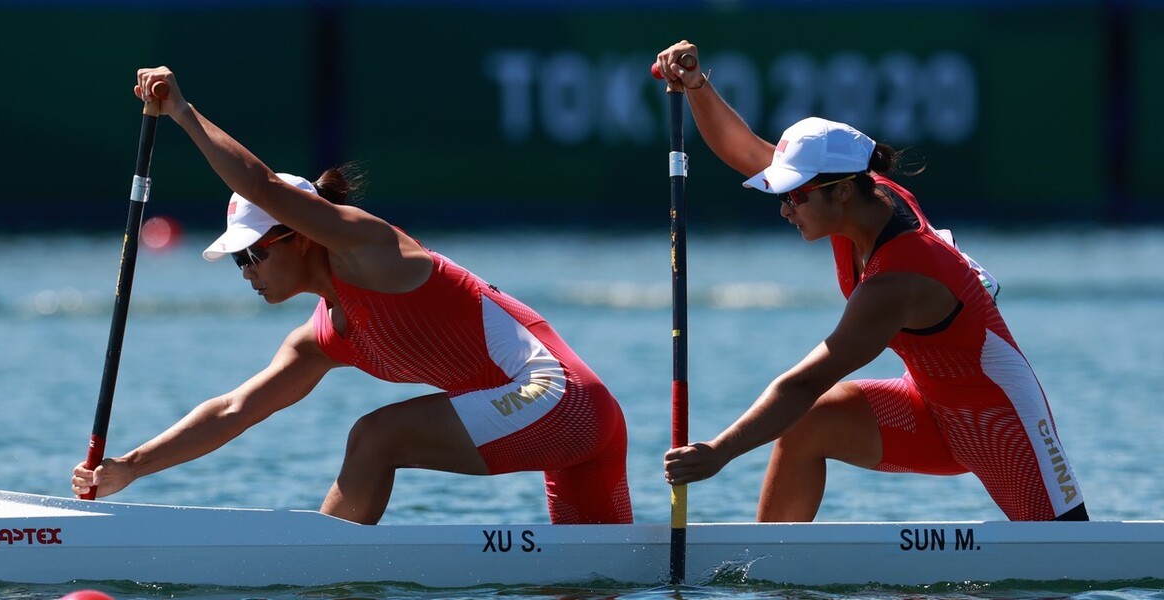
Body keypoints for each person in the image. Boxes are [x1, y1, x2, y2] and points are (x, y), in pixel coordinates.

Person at [71, 66, 633, 525]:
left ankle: (329, 583)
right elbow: (233, 410)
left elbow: (262, 186)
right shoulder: (319, 341)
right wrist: (128, 468)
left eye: (252, 253)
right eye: (239, 259)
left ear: (301, 236)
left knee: (375, 436)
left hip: (558, 401)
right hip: (576, 422)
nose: (246, 271)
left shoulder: (372, 250)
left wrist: (181, 112)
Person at [655, 40, 1087, 522]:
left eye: (793, 196)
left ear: (840, 192)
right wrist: (697, 85)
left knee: (1070, 579)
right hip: (924, 405)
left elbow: (802, 384)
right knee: (806, 425)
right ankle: (774, 582)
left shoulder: (896, 281)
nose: (783, 208)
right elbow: (747, 152)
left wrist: (718, 452)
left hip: (1001, 423)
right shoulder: (860, 195)